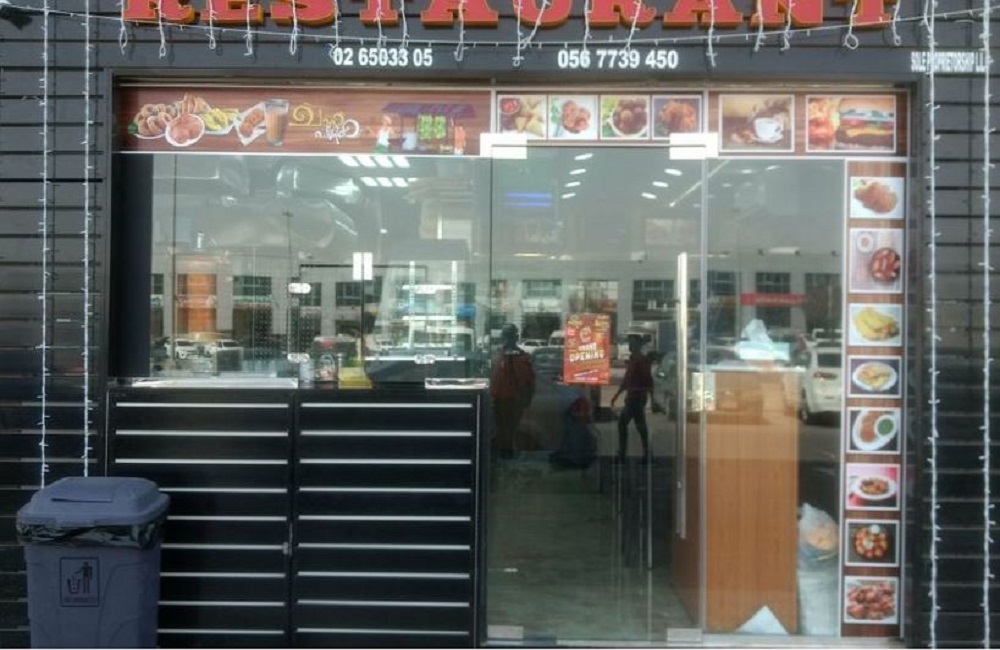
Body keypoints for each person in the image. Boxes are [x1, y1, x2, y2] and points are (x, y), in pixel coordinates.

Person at [611, 334, 663, 461]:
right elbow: (627, 380)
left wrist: (652, 398)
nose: (630, 346)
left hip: (637, 398)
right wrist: (617, 394)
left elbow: (648, 380)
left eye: (632, 343)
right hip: (633, 397)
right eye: (630, 343)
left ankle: (625, 454)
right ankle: (645, 454)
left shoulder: (640, 361)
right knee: (639, 426)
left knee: (626, 424)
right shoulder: (634, 360)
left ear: (638, 345)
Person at [490, 323, 535, 456]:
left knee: (510, 426)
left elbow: (528, 380)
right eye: (506, 336)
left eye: (510, 336)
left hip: (513, 397)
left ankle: (508, 449)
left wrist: (527, 397)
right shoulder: (499, 355)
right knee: (503, 426)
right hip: (501, 397)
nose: (507, 340)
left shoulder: (520, 357)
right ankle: (505, 449)